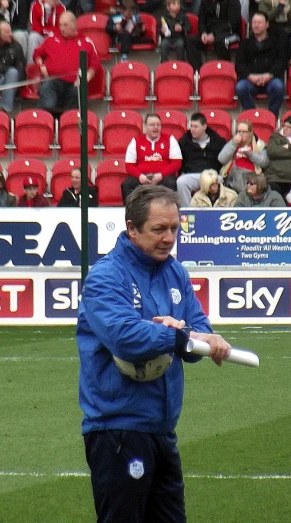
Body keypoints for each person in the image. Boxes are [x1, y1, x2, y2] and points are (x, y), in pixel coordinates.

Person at [78, 185, 231, 523]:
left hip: (162, 429)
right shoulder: (106, 277)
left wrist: (206, 339)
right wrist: (176, 335)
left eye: (174, 228)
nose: (168, 238)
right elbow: (124, 336)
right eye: (159, 229)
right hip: (118, 430)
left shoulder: (175, 272)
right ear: (132, 229)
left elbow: (195, 335)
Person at [33, 12, 101, 114]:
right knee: (46, 89)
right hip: (53, 80)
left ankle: (67, 123)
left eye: (65, 25)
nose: (62, 28)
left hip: (74, 83)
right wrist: (41, 66)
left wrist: (85, 78)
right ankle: (45, 122)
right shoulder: (51, 38)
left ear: (74, 25)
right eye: (60, 25)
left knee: (77, 93)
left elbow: (95, 64)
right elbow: (37, 53)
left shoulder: (86, 42)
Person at [234, 12, 287, 117]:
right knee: (240, 87)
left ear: (267, 25)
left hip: (271, 79)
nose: (256, 25)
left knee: (279, 86)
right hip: (250, 80)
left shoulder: (276, 42)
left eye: (259, 22)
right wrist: (250, 76)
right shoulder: (245, 43)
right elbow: (239, 64)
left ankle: (272, 118)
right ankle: (252, 116)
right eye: (254, 22)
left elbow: (282, 62)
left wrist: (269, 75)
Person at [122, 113, 183, 203]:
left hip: (163, 177)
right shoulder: (136, 141)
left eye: (158, 125)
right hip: (142, 177)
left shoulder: (170, 139)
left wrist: (161, 175)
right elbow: (129, 166)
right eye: (152, 125)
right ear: (145, 126)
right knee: (127, 184)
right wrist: (140, 176)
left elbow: (177, 163)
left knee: (171, 182)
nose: (156, 127)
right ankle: (131, 213)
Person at [176, 113, 228, 207]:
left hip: (212, 174)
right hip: (192, 175)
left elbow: (226, 157)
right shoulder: (183, 142)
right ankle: (187, 212)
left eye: (196, 126)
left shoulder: (218, 141)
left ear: (204, 126)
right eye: (191, 126)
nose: (192, 129)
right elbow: (179, 161)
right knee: (181, 182)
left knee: (221, 180)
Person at [185, 0, 242, 71]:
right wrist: (204, 33)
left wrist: (214, 34)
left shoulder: (233, 2)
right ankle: (199, 72)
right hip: (210, 33)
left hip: (231, 33)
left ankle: (227, 72)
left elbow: (233, 23)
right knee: (190, 41)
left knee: (221, 42)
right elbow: (201, 21)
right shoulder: (205, 2)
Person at [218, 120, 269, 192]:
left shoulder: (259, 144)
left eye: (244, 132)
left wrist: (250, 154)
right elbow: (221, 159)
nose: (241, 134)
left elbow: (264, 162)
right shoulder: (233, 143)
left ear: (251, 133)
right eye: (239, 131)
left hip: (251, 176)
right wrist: (233, 144)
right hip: (232, 175)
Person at [27, 0, 65, 65]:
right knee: (33, 37)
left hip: (54, 37)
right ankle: (31, 67)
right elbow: (34, 25)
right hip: (40, 35)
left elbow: (60, 27)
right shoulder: (36, 5)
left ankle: (54, 68)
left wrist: (49, 33)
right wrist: (46, 32)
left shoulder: (61, 8)